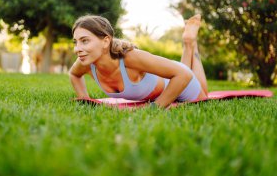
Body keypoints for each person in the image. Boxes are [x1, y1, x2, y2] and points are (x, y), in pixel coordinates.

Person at [69, 14, 208, 108]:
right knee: (182, 69)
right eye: (76, 42)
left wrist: (154, 108)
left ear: (105, 41)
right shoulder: (85, 63)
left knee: (204, 98)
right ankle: (189, 43)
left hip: (181, 83)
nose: (77, 49)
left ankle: (191, 43)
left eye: (85, 41)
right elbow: (73, 74)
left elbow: (184, 75)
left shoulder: (130, 58)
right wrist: (84, 98)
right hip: (174, 73)